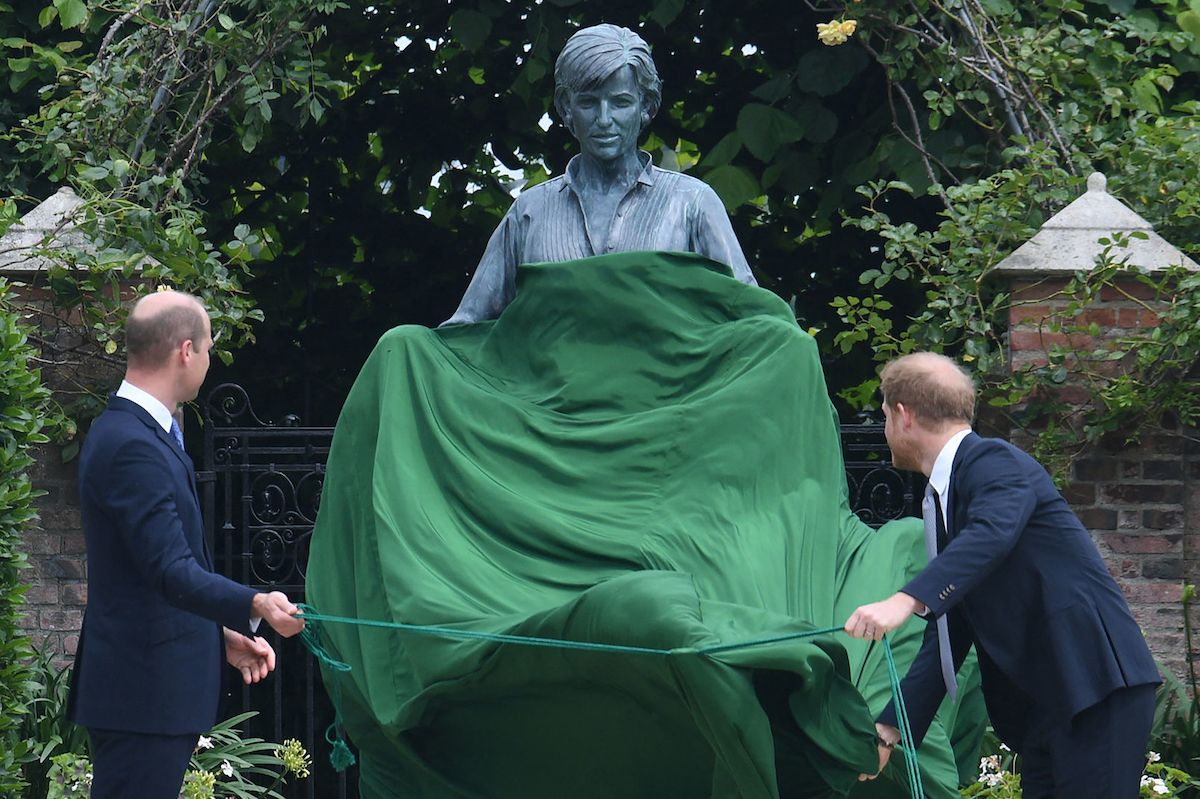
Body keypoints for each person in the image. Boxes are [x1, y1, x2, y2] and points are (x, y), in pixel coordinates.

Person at [842, 352, 1160, 797]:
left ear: (903, 414)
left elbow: (992, 534)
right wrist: (889, 731)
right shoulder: (950, 494)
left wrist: (903, 601)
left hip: (1094, 689)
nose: (884, 428)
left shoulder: (994, 462)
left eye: (883, 416)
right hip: (1052, 704)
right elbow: (951, 633)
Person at [66, 289, 307, 799]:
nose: (207, 360)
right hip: (142, 696)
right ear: (185, 351)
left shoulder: (142, 434)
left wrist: (216, 636)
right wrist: (254, 602)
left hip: (147, 692)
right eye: (209, 347)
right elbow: (170, 570)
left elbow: (142, 577)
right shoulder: (131, 444)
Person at [442, 23, 756, 326]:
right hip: (550, 378)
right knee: (405, 342)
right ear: (566, 107)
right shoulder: (529, 211)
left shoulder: (692, 202)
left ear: (645, 106)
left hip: (664, 377)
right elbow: (468, 326)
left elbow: (750, 314)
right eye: (589, 103)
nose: (604, 119)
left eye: (621, 102)